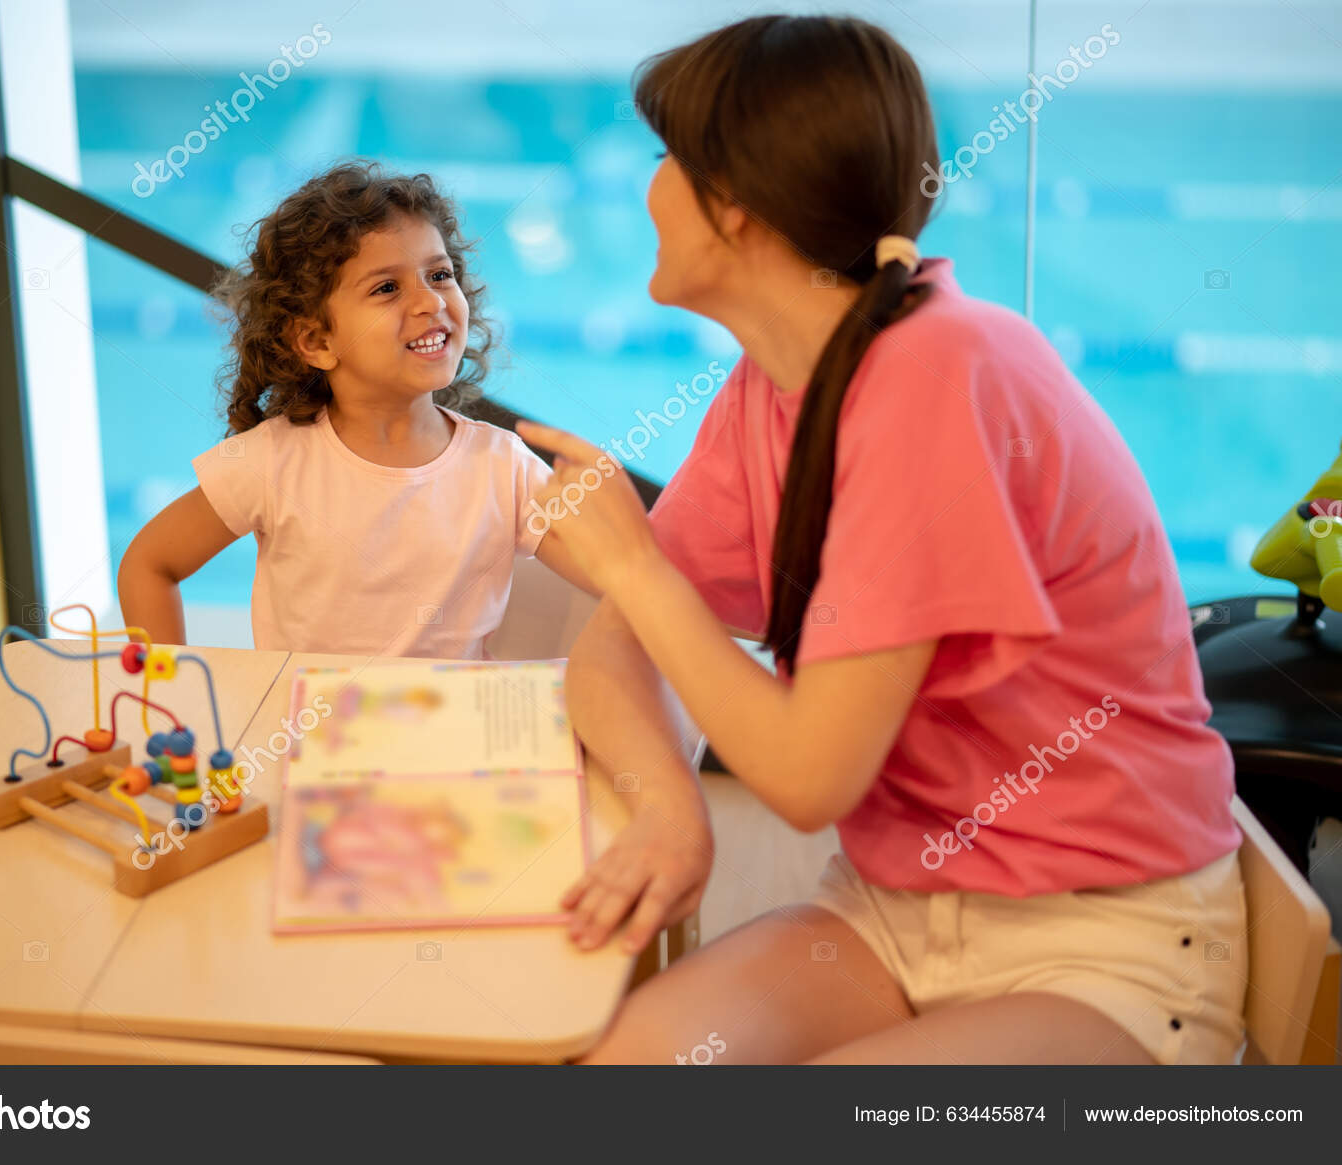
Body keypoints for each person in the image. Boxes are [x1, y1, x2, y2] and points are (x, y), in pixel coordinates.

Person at [519, 14, 1247, 1064]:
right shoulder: (782, 381)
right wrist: (670, 805)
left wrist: (630, 562)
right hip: (887, 912)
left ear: (736, 205)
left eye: (666, 161)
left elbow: (810, 776)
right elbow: (610, 652)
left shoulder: (937, 374)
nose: (647, 189)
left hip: (1102, 945)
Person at [119, 161, 589, 655]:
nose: (429, 302)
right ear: (317, 340)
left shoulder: (502, 465)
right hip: (306, 732)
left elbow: (617, 573)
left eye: (439, 274)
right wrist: (165, 696)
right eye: (387, 288)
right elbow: (150, 565)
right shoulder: (273, 462)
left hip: (456, 730)